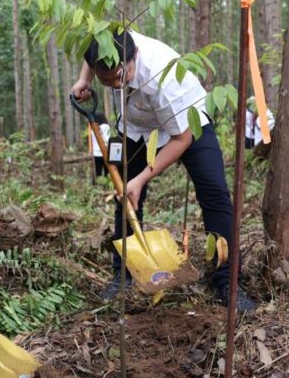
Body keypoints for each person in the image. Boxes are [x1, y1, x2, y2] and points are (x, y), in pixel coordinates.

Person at [71, 28, 257, 311]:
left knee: (215, 195)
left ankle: (226, 282)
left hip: (187, 121)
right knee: (126, 197)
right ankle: (124, 274)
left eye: (120, 77)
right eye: (106, 81)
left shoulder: (163, 80)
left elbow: (181, 139)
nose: (115, 85)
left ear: (134, 57)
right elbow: (93, 45)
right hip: (136, 126)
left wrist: (142, 177)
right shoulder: (112, 41)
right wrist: (84, 79)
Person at [91, 111, 111, 178]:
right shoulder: (108, 127)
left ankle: (99, 186)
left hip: (96, 153)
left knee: (98, 172)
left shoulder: (93, 128)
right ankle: (107, 186)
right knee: (107, 172)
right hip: (106, 152)